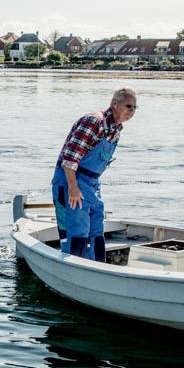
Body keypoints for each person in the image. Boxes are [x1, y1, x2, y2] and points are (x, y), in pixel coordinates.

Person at [51, 87, 137, 261]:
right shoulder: (93, 122)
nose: (132, 111)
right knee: (77, 229)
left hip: (92, 184)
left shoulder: (116, 129)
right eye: (129, 106)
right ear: (114, 103)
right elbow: (69, 159)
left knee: (96, 227)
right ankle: (74, 269)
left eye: (135, 108)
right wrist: (73, 188)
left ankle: (98, 267)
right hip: (71, 181)